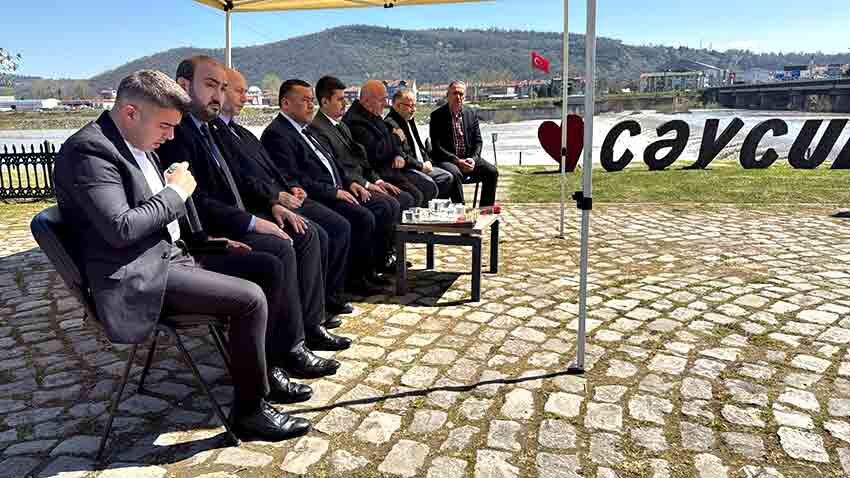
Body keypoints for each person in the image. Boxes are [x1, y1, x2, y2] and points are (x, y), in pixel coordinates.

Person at [53, 69, 310, 440]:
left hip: (169, 256)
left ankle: (265, 370)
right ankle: (250, 411)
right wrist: (175, 193)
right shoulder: (88, 151)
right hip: (137, 276)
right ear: (130, 112)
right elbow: (121, 228)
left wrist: (208, 240)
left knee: (267, 266)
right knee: (250, 299)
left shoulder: (135, 140)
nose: (171, 136)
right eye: (165, 126)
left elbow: (161, 219)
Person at [157, 56, 349, 380]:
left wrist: (272, 204)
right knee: (281, 250)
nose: (218, 96)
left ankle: (303, 332)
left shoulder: (210, 129)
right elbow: (195, 201)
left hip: (241, 216)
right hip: (210, 233)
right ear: (183, 86)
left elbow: (241, 178)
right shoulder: (177, 133)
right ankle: (284, 352)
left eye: (222, 88)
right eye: (211, 86)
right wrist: (251, 221)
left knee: (301, 237)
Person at [210, 68, 353, 322]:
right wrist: (275, 199)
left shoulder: (242, 132)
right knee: (312, 234)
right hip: (258, 207)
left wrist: (289, 187)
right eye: (239, 91)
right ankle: (310, 319)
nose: (245, 98)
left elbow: (273, 171)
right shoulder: (238, 133)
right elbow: (242, 179)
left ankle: (317, 310)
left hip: (283, 197)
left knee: (327, 229)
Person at [262, 79, 390, 294]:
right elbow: (295, 179)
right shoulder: (278, 134)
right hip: (314, 196)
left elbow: (333, 162)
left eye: (311, 100)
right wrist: (334, 192)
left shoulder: (306, 129)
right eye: (305, 100)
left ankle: (366, 273)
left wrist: (351, 183)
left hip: (337, 188)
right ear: (285, 103)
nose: (311, 105)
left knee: (378, 207)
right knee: (353, 221)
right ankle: (339, 290)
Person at [311, 75, 405, 273]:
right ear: (325, 102)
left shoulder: (341, 126)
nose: (345, 103)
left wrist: (376, 181)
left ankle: (383, 259)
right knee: (383, 207)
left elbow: (362, 161)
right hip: (345, 185)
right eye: (340, 99)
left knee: (393, 202)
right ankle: (370, 268)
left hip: (360, 180)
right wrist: (365, 184)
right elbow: (340, 166)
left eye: (345, 99)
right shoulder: (318, 129)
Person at [343, 80, 434, 207]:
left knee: (427, 188)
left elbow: (389, 140)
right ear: (367, 101)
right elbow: (376, 152)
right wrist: (396, 138)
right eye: (382, 100)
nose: (386, 103)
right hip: (378, 174)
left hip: (391, 171)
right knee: (411, 197)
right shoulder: (355, 122)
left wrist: (398, 154)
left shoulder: (373, 114)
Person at [429, 81, 499, 207]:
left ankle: (486, 210)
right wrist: (457, 161)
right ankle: (460, 210)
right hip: (448, 160)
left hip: (468, 159)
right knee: (455, 174)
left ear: (464, 97)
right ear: (448, 95)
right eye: (455, 93)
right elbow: (437, 147)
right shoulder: (437, 116)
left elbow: (478, 141)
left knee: (492, 172)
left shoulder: (471, 113)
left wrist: (473, 159)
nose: (458, 97)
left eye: (461, 94)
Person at [384, 89, 459, 203]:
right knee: (430, 184)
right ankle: (424, 209)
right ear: (398, 106)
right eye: (410, 106)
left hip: (421, 165)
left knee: (447, 177)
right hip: (407, 169)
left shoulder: (409, 119)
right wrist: (421, 166)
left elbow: (420, 145)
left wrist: (427, 161)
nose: (414, 109)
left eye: (415, 105)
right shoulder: (390, 124)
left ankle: (436, 207)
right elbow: (401, 154)